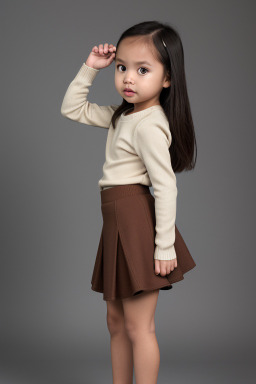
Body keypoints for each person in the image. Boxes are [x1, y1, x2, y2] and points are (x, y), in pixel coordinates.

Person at [61, 20, 197, 384]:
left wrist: (164, 246)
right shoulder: (124, 116)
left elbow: (166, 186)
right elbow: (72, 109)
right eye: (122, 67)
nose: (128, 79)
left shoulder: (149, 124)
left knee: (139, 327)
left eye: (142, 69)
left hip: (134, 219)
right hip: (116, 221)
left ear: (167, 79)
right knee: (116, 322)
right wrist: (91, 66)